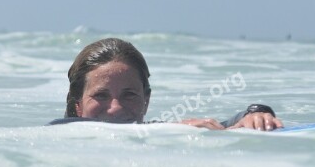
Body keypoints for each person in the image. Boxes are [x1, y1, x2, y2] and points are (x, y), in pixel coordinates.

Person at [49, 38, 283, 130]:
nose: (115, 107)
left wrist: (256, 115)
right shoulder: (58, 138)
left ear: (146, 101)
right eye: (100, 95)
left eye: (129, 94)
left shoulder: (155, 133)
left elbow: (228, 123)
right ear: (78, 105)